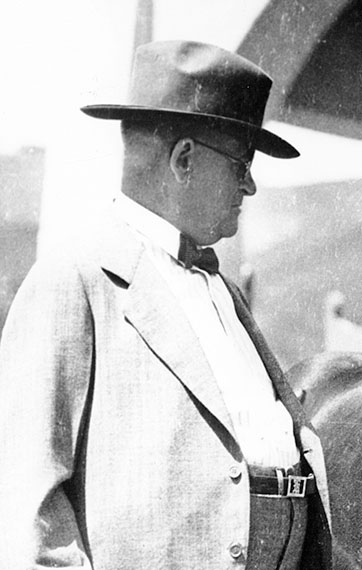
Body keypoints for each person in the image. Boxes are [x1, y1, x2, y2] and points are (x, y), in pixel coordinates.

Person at [0, 41, 331, 569]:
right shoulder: (75, 281)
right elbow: (25, 508)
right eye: (241, 164)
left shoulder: (222, 290)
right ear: (184, 160)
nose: (249, 185)